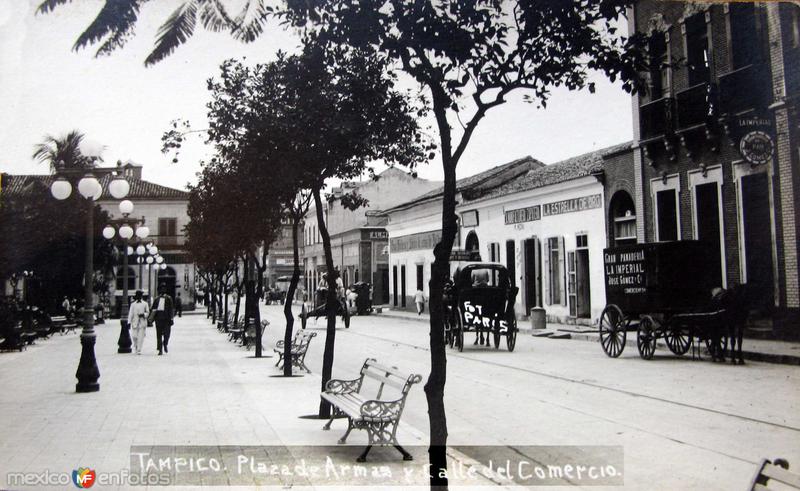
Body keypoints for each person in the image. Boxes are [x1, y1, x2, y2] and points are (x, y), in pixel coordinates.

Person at [151, 285, 174, 355]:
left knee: (167, 334)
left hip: (167, 319)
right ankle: (160, 349)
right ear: (159, 290)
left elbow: (171, 309)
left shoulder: (169, 298)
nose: (162, 290)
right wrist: (152, 318)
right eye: (161, 288)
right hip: (158, 319)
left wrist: (171, 318)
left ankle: (165, 343)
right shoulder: (156, 299)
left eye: (164, 288)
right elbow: (153, 309)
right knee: (159, 335)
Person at [127, 290, 149, 355]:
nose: (139, 296)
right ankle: (136, 346)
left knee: (140, 336)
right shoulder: (133, 304)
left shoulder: (145, 304)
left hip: (142, 322)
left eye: (140, 295)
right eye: (138, 295)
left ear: (141, 296)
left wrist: (144, 314)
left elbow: (148, 312)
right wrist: (129, 322)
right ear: (136, 296)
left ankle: (139, 349)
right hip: (135, 323)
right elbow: (130, 314)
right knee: (134, 336)